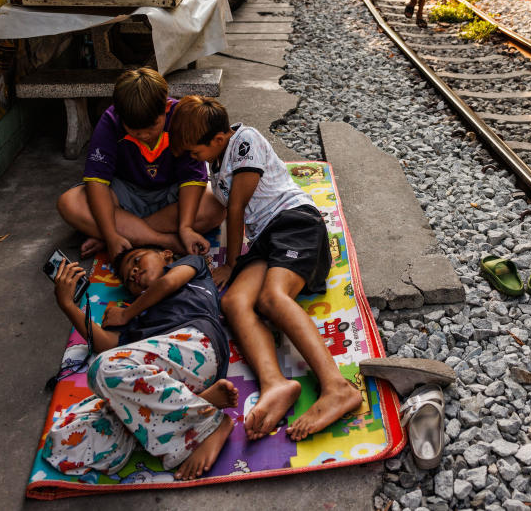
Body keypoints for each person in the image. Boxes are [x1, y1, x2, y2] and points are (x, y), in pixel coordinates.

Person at [169, 97, 363, 442]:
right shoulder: (217, 158)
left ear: (216, 140)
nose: (192, 159)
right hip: (265, 241)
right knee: (234, 303)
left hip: (295, 224)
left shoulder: (246, 141)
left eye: (193, 152)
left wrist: (229, 264)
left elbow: (237, 209)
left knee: (273, 298)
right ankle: (275, 383)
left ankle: (337, 387)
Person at [44, 248, 237, 480]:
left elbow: (166, 283)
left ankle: (209, 423)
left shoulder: (191, 266)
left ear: (166, 255)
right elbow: (105, 344)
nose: (133, 271)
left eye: (137, 260)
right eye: (128, 279)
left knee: (104, 368)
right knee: (62, 442)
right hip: (160, 384)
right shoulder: (138, 317)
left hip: (196, 345)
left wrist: (126, 314)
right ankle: (199, 403)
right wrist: (68, 305)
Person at [57, 68, 225, 259]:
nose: (145, 135)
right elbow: (97, 182)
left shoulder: (183, 117)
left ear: (167, 108)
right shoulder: (111, 121)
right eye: (135, 130)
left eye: (152, 126)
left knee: (216, 206)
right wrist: (111, 234)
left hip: (171, 196)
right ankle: (163, 240)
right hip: (125, 195)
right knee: (69, 203)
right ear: (121, 116)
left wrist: (185, 227)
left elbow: (192, 178)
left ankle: (126, 235)